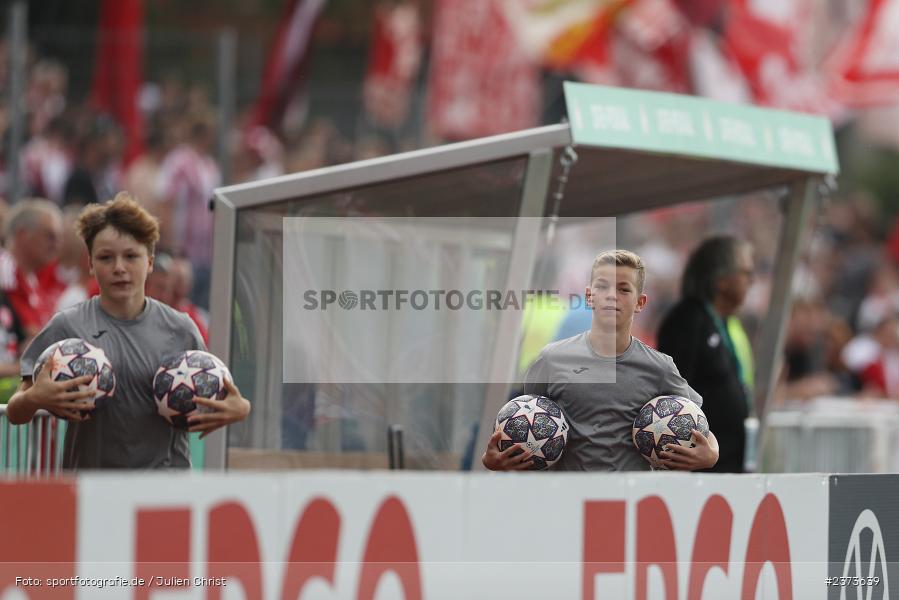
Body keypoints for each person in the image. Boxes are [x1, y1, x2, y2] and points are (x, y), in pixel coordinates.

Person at [5, 192, 251, 469]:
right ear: (90, 264)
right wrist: (34, 398)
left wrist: (241, 409)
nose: (119, 268)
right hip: (91, 492)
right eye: (106, 257)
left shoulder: (180, 328)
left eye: (131, 256)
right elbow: (15, 411)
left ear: (149, 261)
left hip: (164, 493)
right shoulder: (68, 326)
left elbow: (229, 397)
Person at [483, 250, 719, 472]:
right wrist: (493, 460)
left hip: (628, 502)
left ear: (640, 302)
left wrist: (712, 455)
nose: (611, 296)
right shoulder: (551, 359)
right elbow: (522, 428)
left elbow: (698, 422)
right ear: (589, 296)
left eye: (624, 289)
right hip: (565, 500)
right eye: (603, 287)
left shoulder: (659, 367)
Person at [657, 236, 752, 473]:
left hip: (727, 463)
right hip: (700, 471)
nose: (752, 281)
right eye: (746, 273)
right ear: (722, 280)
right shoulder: (687, 320)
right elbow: (673, 394)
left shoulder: (722, 321)